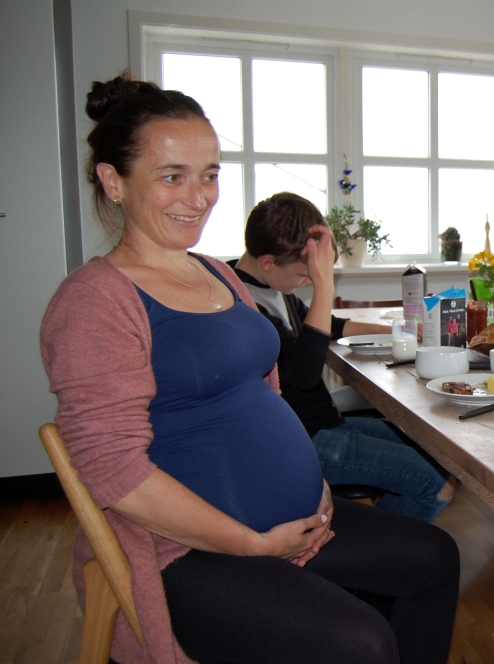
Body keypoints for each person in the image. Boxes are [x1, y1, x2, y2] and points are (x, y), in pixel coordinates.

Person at [40, 72, 458, 664]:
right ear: (113, 180)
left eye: (209, 174)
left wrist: (311, 484)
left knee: (435, 559)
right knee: (361, 644)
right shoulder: (93, 302)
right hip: (190, 548)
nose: (199, 196)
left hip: (295, 521)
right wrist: (250, 543)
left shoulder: (216, 273)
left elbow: (270, 391)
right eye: (172, 176)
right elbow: (113, 472)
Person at [230, 192, 455, 523]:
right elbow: (303, 374)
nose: (307, 281)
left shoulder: (273, 286)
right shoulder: (246, 305)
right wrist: (324, 286)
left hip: (323, 424)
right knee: (436, 485)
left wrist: (405, 330)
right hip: (303, 441)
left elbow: (328, 325)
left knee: (442, 459)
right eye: (304, 275)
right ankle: (380, 556)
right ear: (268, 262)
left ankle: (381, 537)